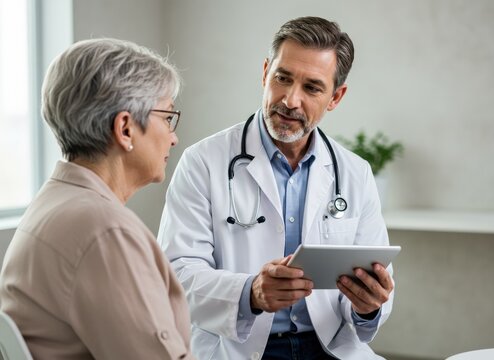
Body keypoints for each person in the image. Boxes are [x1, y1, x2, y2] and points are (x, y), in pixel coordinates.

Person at [158, 16, 394, 360]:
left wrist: (368, 307)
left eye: (312, 88)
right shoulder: (203, 162)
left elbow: (377, 282)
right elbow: (176, 277)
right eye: (282, 78)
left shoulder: (355, 173)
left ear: (335, 97)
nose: (290, 100)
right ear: (265, 72)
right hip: (238, 346)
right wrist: (250, 293)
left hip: (329, 347)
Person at [0, 38, 194, 359]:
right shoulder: (103, 231)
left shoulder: (56, 202)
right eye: (167, 117)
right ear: (125, 129)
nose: (174, 137)